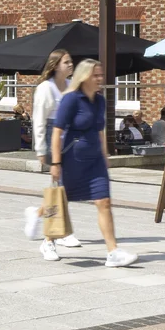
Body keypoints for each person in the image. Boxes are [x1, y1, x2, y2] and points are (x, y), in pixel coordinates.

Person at [42, 61, 137, 268]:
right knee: (60, 201)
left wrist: (105, 157)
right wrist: (56, 163)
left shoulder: (100, 101)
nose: (100, 79)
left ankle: (113, 252)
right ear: (84, 77)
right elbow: (57, 132)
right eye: (96, 76)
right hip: (72, 160)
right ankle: (49, 241)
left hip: (95, 161)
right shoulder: (71, 99)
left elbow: (100, 131)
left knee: (104, 202)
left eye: (101, 75)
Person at [31, 50, 71, 171]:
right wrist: (41, 149)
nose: (71, 64)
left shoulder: (72, 85)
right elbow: (39, 120)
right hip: (53, 138)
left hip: (71, 138)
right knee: (60, 177)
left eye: (71, 61)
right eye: (66, 62)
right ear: (56, 66)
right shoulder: (46, 88)